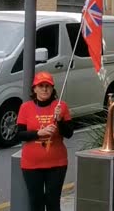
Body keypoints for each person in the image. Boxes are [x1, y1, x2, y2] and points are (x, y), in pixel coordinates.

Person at [16, 71, 73, 211]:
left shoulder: (61, 107)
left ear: (53, 89)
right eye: (41, 86)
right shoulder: (26, 107)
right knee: (36, 202)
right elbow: (19, 134)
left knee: (53, 201)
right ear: (34, 89)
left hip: (57, 163)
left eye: (48, 86)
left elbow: (69, 133)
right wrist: (38, 133)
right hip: (31, 164)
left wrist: (59, 120)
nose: (44, 89)